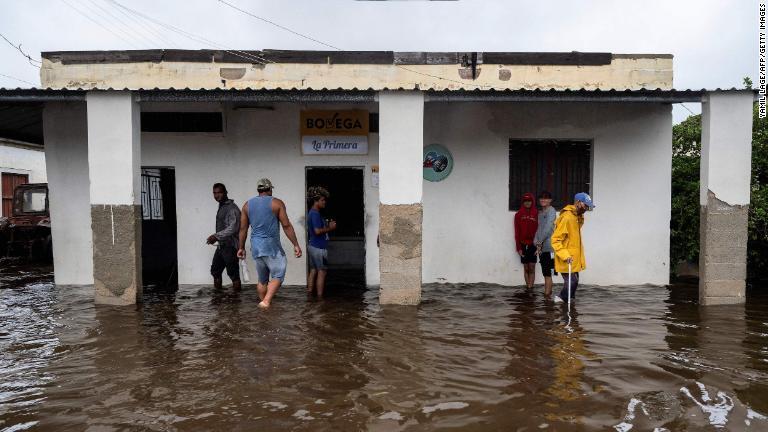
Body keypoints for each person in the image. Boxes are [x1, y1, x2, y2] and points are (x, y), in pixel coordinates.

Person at [237, 178, 302, 308]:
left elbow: (243, 229)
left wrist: (241, 247)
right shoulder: (276, 203)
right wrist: (296, 244)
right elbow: (286, 225)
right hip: (271, 245)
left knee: (262, 280)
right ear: (270, 189)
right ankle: (266, 301)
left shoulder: (247, 205)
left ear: (258, 190)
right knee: (278, 273)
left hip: (255, 246)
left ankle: (264, 306)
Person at [551, 192, 595, 303]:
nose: (587, 208)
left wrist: (580, 216)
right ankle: (559, 301)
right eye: (585, 205)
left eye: (588, 206)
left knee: (574, 283)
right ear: (578, 202)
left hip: (574, 258)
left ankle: (570, 310)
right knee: (572, 282)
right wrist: (565, 256)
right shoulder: (566, 217)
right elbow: (555, 240)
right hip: (566, 258)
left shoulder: (576, 217)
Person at [207, 183, 241, 291]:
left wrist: (216, 236)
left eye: (219, 192)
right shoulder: (222, 206)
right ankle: (218, 300)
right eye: (214, 193)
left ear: (225, 193)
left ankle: (236, 304)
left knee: (233, 274)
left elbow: (234, 228)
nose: (216, 195)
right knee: (215, 271)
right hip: (222, 246)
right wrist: (217, 238)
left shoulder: (232, 208)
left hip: (230, 247)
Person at [306, 186, 337, 298]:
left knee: (314, 270)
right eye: (322, 200)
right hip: (319, 248)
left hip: (313, 246)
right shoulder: (314, 213)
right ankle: (320, 299)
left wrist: (327, 224)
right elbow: (317, 231)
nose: (325, 202)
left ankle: (309, 295)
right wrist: (330, 228)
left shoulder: (313, 213)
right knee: (322, 272)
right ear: (316, 201)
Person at [533, 191, 557, 298]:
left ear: (550, 200)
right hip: (541, 247)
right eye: (541, 198)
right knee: (545, 273)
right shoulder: (541, 213)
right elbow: (539, 229)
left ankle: (547, 297)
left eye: (546, 198)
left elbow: (548, 229)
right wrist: (536, 242)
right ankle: (547, 297)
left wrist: (539, 242)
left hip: (549, 247)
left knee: (548, 273)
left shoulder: (551, 211)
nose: (543, 200)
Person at [514, 192, 538, 289]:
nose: (527, 203)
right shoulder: (518, 215)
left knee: (532, 267)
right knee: (526, 268)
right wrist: (518, 248)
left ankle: (531, 287)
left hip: (533, 244)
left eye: (529, 201)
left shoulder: (537, 213)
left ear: (532, 202)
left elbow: (539, 231)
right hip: (523, 244)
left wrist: (539, 246)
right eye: (525, 201)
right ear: (523, 202)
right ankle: (528, 287)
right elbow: (517, 232)